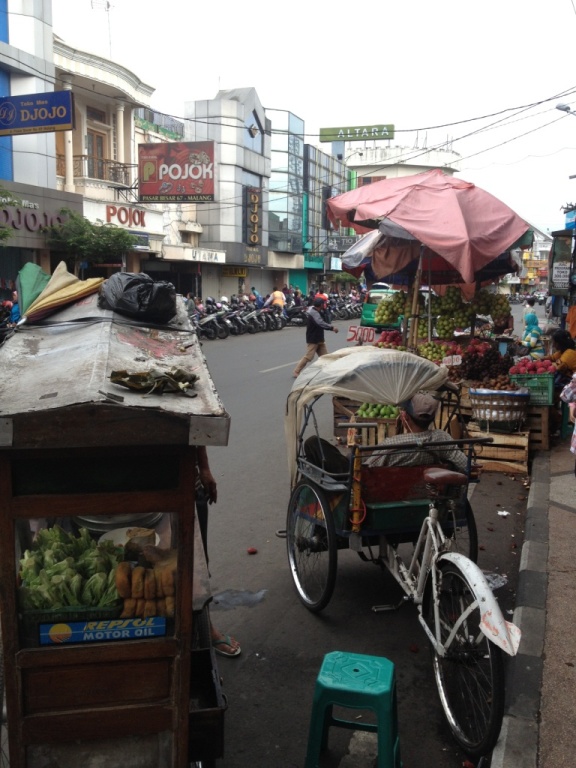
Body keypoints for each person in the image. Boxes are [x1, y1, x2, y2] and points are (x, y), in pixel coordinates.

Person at [196, 446, 241, 657]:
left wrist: (204, 467)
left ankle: (206, 628)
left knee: (197, 564)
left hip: (184, 475)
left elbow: (196, 419)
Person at [365, 393, 468, 472]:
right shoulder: (442, 439)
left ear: (405, 417)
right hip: (430, 494)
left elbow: (366, 470)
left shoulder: (389, 445)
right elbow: (466, 465)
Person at [293, 297, 339, 378]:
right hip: (313, 339)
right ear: (321, 305)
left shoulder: (318, 311)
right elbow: (320, 323)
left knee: (326, 356)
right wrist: (332, 328)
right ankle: (297, 371)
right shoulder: (314, 313)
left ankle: (329, 371)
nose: (324, 305)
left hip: (319, 338)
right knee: (309, 356)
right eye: (323, 304)